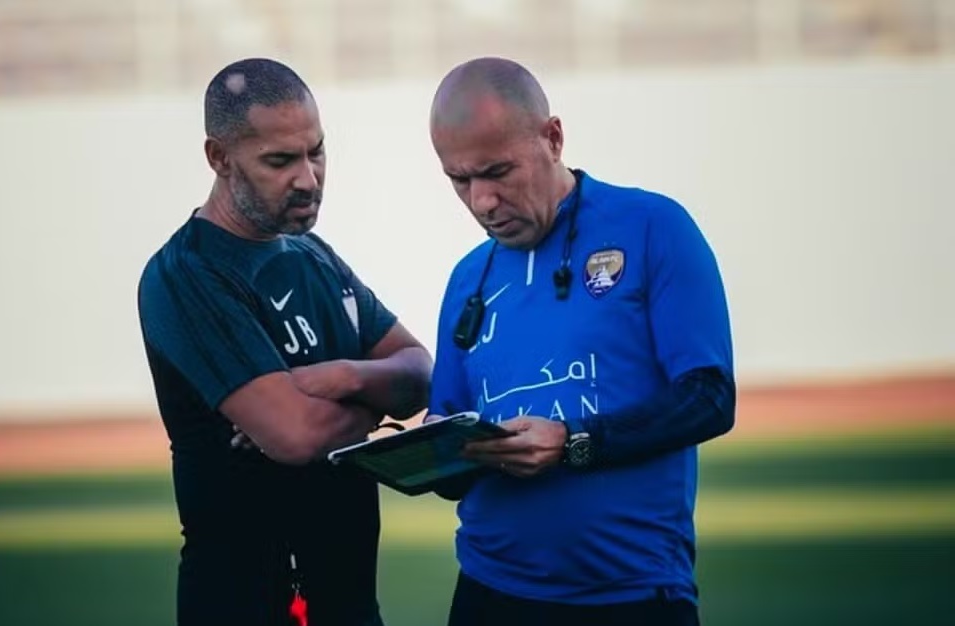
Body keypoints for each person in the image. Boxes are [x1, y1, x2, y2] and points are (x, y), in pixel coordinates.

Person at [425, 57, 736, 626]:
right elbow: (450, 452)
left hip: (632, 597)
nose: (481, 201)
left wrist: (574, 442)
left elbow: (709, 398)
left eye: (497, 171)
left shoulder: (652, 227)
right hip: (487, 594)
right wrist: (426, 453)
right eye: (459, 179)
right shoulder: (467, 279)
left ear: (553, 138)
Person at [137, 57, 432, 626]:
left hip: (347, 604)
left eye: (316, 151)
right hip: (244, 605)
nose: (309, 178)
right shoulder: (186, 275)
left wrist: (343, 379)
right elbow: (297, 436)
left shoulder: (312, 255)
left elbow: (421, 371)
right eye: (280, 160)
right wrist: (377, 402)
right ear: (219, 158)